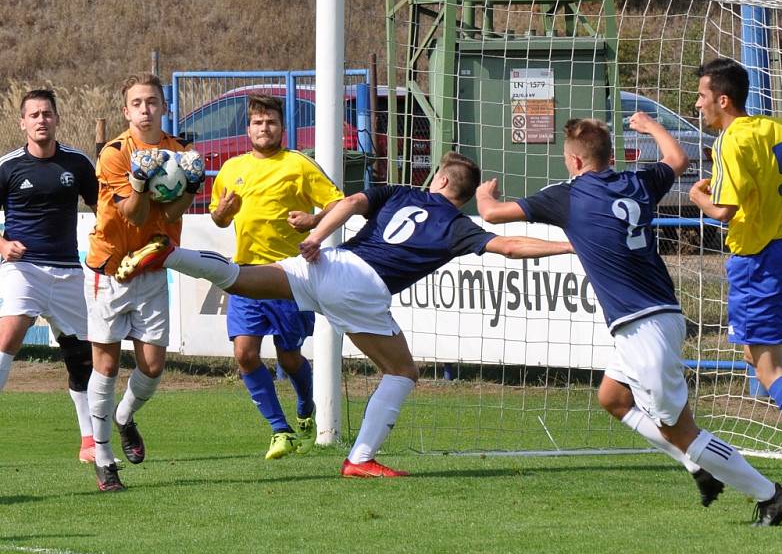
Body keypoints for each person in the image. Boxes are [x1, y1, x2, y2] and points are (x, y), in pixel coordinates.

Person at [115, 151, 573, 477]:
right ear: (464, 195)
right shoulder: (458, 225)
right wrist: (570, 244)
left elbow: (350, 203)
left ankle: (172, 254)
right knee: (402, 371)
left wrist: (316, 231)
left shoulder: (398, 192)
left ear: (438, 180)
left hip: (330, 262)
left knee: (241, 277)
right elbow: (511, 245)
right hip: (364, 287)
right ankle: (361, 458)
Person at [476, 115, 782, 526]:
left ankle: (770, 495)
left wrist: (485, 194)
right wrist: (650, 126)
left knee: (683, 431)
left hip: (641, 328)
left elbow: (493, 215)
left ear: (573, 162)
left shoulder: (567, 196)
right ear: (611, 156)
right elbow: (676, 158)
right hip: (660, 314)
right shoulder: (638, 183)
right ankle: (696, 465)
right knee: (613, 398)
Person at [84, 73, 204, 491]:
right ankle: (103, 459)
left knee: (152, 367)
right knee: (108, 364)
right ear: (126, 110)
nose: (145, 109)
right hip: (111, 270)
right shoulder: (116, 154)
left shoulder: (179, 151)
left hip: (152, 268)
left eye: (152, 101)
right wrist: (139, 180)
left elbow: (170, 216)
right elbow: (133, 214)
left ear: (164, 107)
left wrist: (190, 184)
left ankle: (123, 416)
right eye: (137, 103)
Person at [209, 94, 343, 459]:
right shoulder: (231, 169)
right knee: (244, 354)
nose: (263, 127)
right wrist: (222, 212)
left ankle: (304, 405)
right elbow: (219, 218)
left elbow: (337, 203)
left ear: (282, 128)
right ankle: (279, 430)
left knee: (288, 358)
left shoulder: (298, 165)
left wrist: (314, 221)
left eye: (270, 122)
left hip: (290, 276)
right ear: (248, 128)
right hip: (246, 273)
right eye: (257, 122)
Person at [689, 57, 782, 430]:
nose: (697, 103)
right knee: (759, 356)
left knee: (765, 365)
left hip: (759, 259)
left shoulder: (729, 142)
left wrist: (698, 195)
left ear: (723, 100)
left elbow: (722, 210)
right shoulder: (780, 128)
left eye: (702, 95)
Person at [0, 89, 99, 463]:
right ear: (23, 122)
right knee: (9, 334)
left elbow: (102, 206)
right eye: (34, 115)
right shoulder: (7, 166)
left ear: (57, 119)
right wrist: (3, 246)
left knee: (81, 358)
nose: (41, 120)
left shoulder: (77, 163)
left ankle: (90, 442)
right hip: (23, 269)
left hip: (68, 271)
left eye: (47, 113)